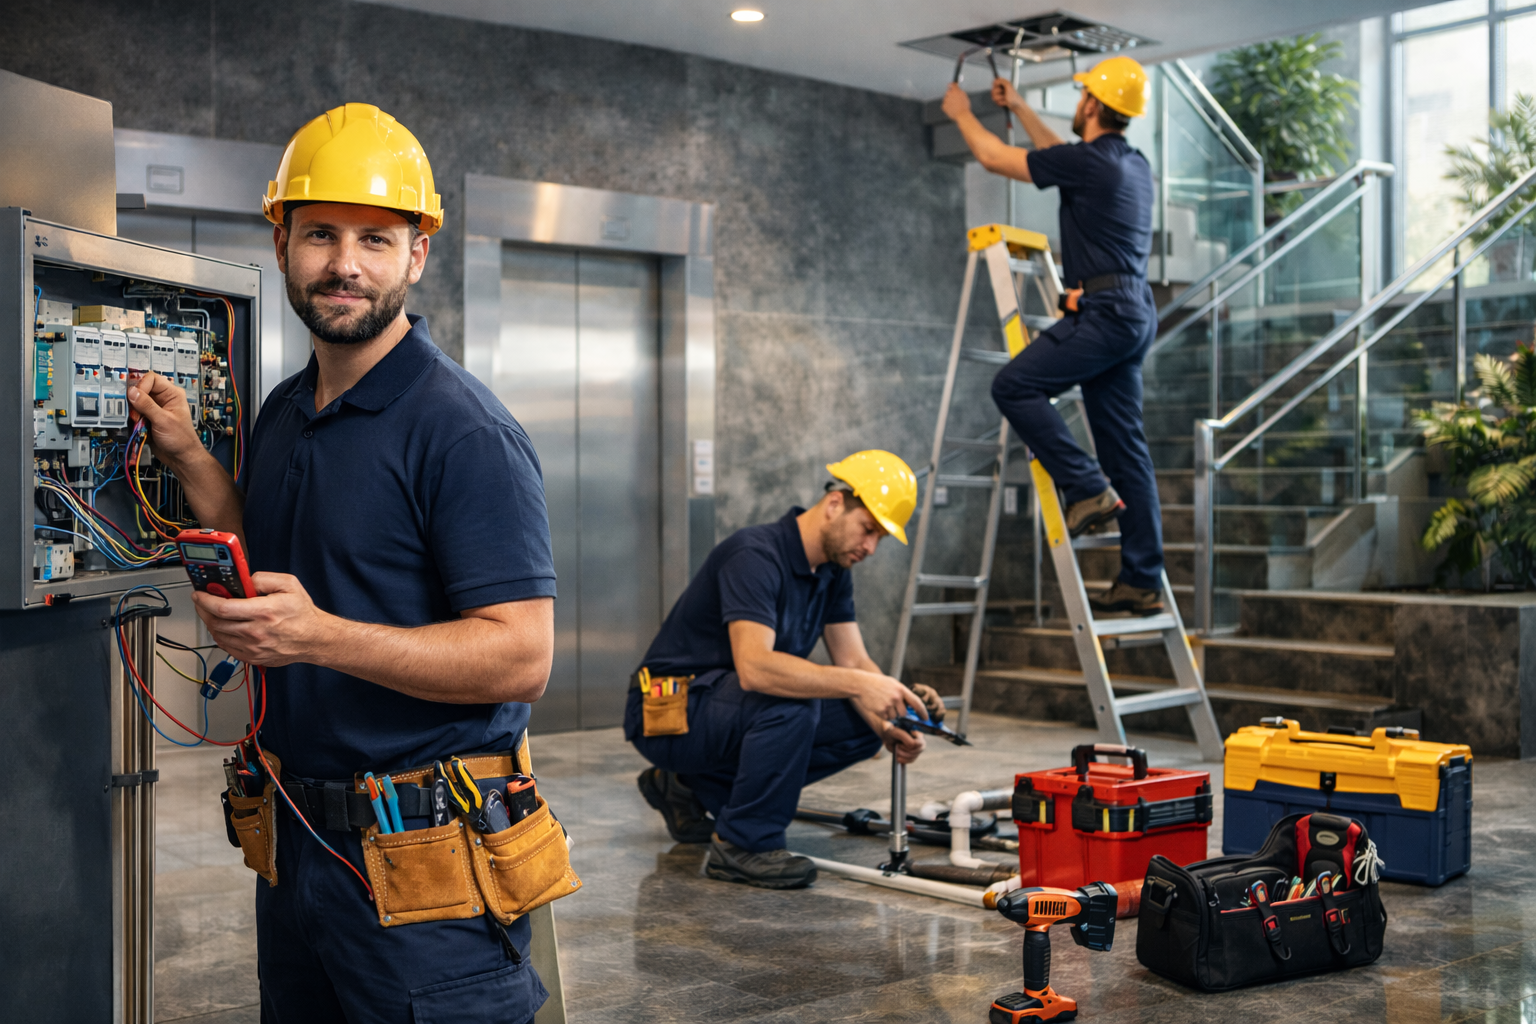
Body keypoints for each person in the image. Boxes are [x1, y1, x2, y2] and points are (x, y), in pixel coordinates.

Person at [126, 103, 557, 1022]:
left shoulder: (463, 432)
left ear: (418, 255)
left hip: (424, 872)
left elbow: (520, 655)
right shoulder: (285, 410)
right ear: (281, 245)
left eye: (375, 237)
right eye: (320, 234)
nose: (345, 264)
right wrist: (195, 461)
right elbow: (285, 548)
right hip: (296, 848)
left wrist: (320, 639)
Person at [627, 450, 947, 889]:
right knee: (794, 701)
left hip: (724, 708)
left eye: (880, 539)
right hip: (665, 709)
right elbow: (757, 668)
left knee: (859, 716)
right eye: (868, 529)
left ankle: (688, 786)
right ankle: (743, 845)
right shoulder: (754, 554)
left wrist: (892, 716)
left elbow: (853, 661)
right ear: (835, 503)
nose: (870, 547)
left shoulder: (833, 572)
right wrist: (863, 684)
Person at [942, 56, 1166, 615]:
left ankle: (1087, 487)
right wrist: (1018, 106)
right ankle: (1141, 578)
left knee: (1014, 386)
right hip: (1132, 310)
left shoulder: (1089, 164)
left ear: (1091, 104)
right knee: (1127, 450)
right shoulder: (1131, 164)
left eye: (1081, 96)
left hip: (1106, 312)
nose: (1077, 103)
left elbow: (995, 157)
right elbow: (1057, 158)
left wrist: (960, 114)